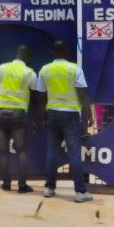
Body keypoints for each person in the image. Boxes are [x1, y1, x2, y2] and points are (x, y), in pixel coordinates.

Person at [37, 41, 95, 203]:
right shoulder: (74, 69)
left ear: (53, 53)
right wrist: (89, 113)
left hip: (53, 114)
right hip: (70, 116)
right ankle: (80, 192)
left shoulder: (45, 70)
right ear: (66, 51)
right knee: (74, 155)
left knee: (52, 153)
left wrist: (45, 116)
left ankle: (49, 188)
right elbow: (82, 93)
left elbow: (41, 96)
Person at [0, 45, 38, 193]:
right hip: (18, 115)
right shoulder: (30, 73)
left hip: (0, 113)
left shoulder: (1, 68)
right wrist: (35, 120)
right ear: (27, 57)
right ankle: (22, 186)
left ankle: (6, 184)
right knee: (21, 151)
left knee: (3, 152)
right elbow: (35, 98)